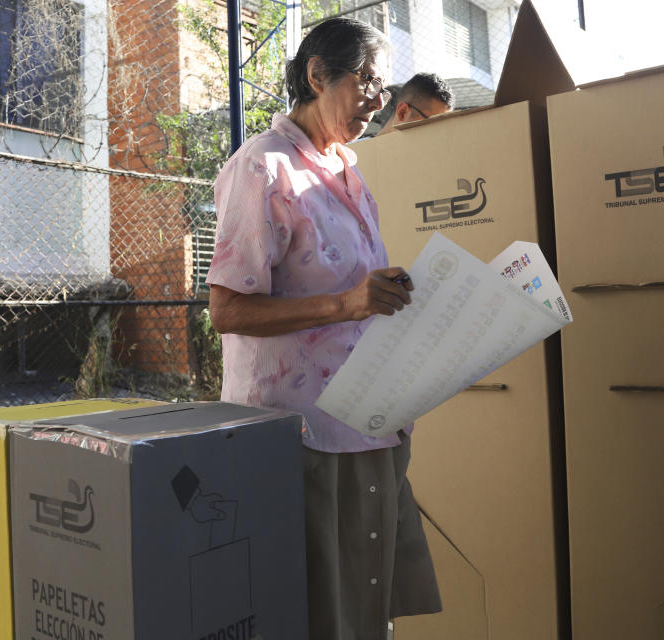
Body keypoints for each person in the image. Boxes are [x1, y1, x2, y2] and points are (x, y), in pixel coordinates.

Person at [206, 17, 441, 640]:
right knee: (319, 610)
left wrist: (386, 294)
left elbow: (352, 289)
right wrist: (347, 304)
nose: (377, 99)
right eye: (366, 80)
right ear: (317, 74)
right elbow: (227, 310)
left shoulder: (347, 170)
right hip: (305, 432)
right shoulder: (263, 167)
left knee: (366, 610)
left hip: (370, 418)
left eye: (383, 87)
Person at [376, 72, 454, 135]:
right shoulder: (365, 153)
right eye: (431, 123)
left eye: (443, 127)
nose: (438, 134)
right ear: (402, 112)